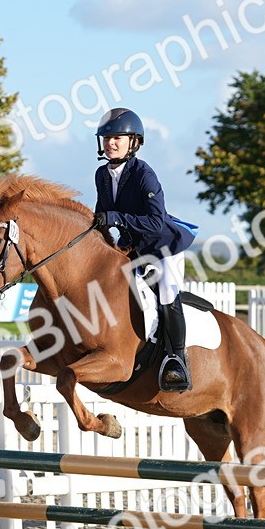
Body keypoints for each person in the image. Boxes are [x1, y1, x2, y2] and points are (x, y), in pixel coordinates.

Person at [91, 107, 197, 391]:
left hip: (163, 245)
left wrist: (116, 218)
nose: (110, 143)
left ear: (133, 142)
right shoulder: (102, 175)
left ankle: (177, 360)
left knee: (165, 293)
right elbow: (102, 214)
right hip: (133, 247)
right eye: (106, 138)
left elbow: (154, 221)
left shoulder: (143, 174)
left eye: (117, 138)